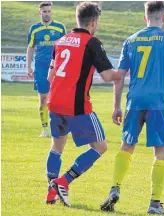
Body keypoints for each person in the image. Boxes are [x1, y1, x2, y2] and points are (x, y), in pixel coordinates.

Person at [100, 2, 164, 214]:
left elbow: (119, 77)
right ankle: (155, 204)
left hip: (134, 101)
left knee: (127, 145)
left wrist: (116, 106)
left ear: (144, 18)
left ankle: (114, 187)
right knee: (161, 150)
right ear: (163, 18)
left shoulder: (131, 40)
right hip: (158, 102)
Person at [46, 2, 123, 207]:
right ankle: (63, 181)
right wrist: (123, 72)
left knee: (56, 147)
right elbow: (107, 76)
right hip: (77, 105)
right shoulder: (91, 42)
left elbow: (50, 75)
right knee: (100, 146)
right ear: (94, 22)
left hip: (54, 102)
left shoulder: (61, 40)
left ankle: (50, 193)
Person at [26, 1, 66, 137]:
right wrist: (28, 66)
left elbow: (65, 48)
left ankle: (59, 127)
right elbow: (30, 47)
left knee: (58, 99)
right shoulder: (34, 29)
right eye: (44, 11)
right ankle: (45, 129)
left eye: (49, 11)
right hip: (41, 68)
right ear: (40, 12)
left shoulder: (60, 28)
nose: (47, 14)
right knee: (43, 99)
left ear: (52, 12)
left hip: (57, 68)